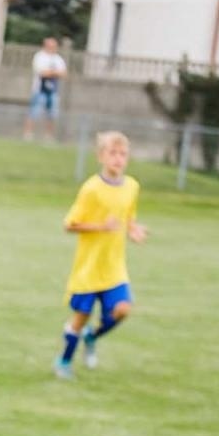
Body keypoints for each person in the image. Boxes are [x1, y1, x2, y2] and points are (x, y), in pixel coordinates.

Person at [55, 130, 146, 379]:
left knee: (123, 310)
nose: (118, 158)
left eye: (123, 154)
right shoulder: (91, 189)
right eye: (112, 153)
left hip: (114, 268)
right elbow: (69, 224)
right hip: (88, 269)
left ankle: (92, 337)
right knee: (80, 318)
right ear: (101, 157)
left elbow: (128, 216)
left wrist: (133, 230)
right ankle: (63, 362)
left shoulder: (132, 187)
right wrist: (100, 227)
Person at [22, 38, 68, 141]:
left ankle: (49, 136)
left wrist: (50, 72)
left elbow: (63, 73)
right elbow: (41, 72)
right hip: (39, 90)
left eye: (54, 46)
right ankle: (28, 134)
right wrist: (55, 73)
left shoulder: (58, 59)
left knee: (52, 114)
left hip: (53, 91)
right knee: (33, 112)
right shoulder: (40, 57)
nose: (52, 48)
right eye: (50, 46)